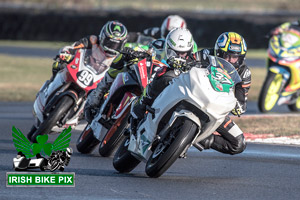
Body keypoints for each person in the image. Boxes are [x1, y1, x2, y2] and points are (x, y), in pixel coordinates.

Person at [130, 28, 199, 129]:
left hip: (186, 90)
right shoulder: (158, 45)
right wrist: (140, 52)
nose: (179, 56)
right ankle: (139, 110)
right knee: (153, 88)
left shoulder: (197, 55)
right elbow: (147, 48)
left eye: (183, 53)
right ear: (168, 48)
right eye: (176, 53)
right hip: (166, 77)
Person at [199, 32, 251, 155]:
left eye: (235, 57)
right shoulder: (205, 54)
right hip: (193, 96)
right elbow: (184, 63)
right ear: (218, 52)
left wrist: (236, 106)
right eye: (227, 56)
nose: (231, 61)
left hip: (215, 109)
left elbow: (241, 104)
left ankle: (201, 138)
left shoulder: (244, 73)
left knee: (239, 144)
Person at [51, 20, 128, 80]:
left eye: (116, 45)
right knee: (58, 65)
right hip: (80, 71)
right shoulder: (93, 40)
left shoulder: (121, 57)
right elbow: (75, 47)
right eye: (109, 43)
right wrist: (67, 53)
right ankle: (50, 87)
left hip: (98, 84)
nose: (112, 47)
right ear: (102, 37)